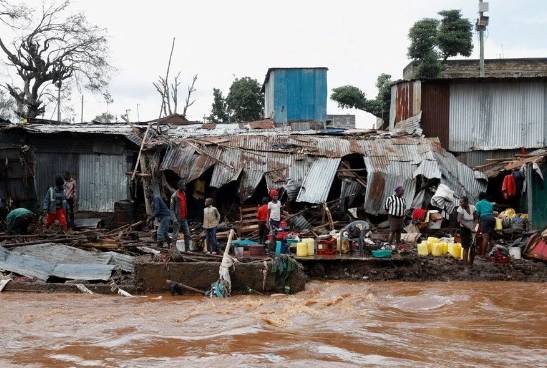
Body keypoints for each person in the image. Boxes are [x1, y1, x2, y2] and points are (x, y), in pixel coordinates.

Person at [170, 180, 192, 250]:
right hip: (177, 219)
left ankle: (187, 249)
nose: (185, 187)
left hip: (184, 218)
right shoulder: (174, 196)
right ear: (179, 186)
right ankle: (173, 249)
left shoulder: (184, 194)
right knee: (175, 235)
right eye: (183, 185)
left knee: (187, 234)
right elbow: (171, 209)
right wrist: (174, 219)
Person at [456, 196, 477, 267]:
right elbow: (459, 220)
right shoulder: (460, 209)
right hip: (464, 229)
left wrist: (474, 227)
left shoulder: (473, 207)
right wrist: (469, 227)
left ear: (466, 202)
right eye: (460, 202)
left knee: (473, 247)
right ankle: (465, 265)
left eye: (461, 202)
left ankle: (471, 264)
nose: (460, 203)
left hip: (473, 229)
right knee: (466, 247)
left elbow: (476, 218)